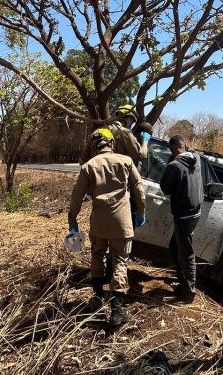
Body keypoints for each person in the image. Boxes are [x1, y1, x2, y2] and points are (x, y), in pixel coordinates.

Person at [67, 128, 146, 326]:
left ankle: (97, 299)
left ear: (94, 146)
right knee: (120, 260)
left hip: (99, 222)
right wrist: (141, 213)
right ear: (111, 143)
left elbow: (76, 198)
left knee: (97, 255)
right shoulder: (126, 161)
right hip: (122, 222)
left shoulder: (88, 166)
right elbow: (140, 191)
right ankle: (117, 310)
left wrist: (72, 222)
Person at [159, 135, 204, 301]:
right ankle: (183, 280)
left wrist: (168, 163)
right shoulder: (196, 159)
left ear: (173, 150)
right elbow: (189, 149)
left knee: (186, 252)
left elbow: (165, 188)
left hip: (183, 215)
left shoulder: (175, 166)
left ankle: (189, 290)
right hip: (196, 212)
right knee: (174, 245)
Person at [79, 104, 150, 165]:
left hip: (94, 179)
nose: (131, 124)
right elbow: (142, 156)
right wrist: (145, 141)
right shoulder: (125, 133)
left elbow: (82, 161)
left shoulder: (96, 132)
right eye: (131, 120)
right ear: (126, 118)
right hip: (116, 180)